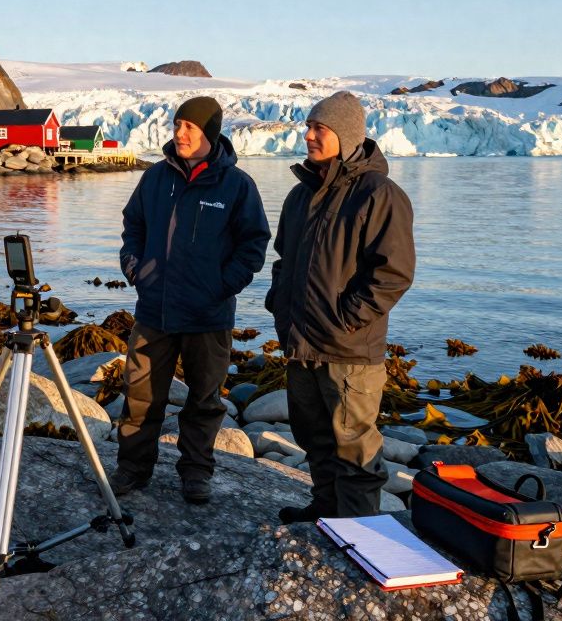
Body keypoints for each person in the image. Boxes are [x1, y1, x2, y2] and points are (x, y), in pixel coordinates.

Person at [112, 96, 271, 504]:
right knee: (141, 395)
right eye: (177, 124)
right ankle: (132, 468)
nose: (179, 133)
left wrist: (223, 285)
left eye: (190, 127)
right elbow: (133, 226)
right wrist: (136, 270)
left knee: (203, 400)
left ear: (209, 134)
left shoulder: (237, 186)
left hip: (208, 315)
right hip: (155, 311)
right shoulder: (155, 179)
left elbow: (254, 244)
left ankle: (196, 473)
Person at [266, 91, 415, 521]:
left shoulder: (378, 194)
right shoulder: (301, 195)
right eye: (310, 126)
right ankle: (325, 514)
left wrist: (347, 318)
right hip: (301, 343)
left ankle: (360, 534)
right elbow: (284, 259)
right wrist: (280, 306)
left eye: (320, 129)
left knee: (354, 449)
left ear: (346, 136)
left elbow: (394, 273)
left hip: (348, 350)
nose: (309, 135)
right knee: (314, 437)